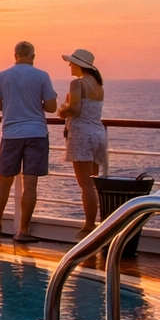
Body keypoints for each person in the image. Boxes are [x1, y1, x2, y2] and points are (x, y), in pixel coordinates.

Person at [0, 41, 57, 242]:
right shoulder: (42, 76)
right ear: (33, 56)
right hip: (36, 132)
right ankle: (23, 231)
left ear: (15, 55)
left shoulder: (3, 75)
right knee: (30, 183)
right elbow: (51, 108)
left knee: (4, 182)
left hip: (11, 134)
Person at [58, 48, 108, 234]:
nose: (69, 65)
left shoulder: (77, 83)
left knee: (85, 184)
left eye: (71, 62)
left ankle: (89, 225)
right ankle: (97, 222)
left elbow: (76, 109)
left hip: (82, 135)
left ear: (79, 65)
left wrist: (62, 110)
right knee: (93, 183)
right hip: (98, 133)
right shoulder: (98, 86)